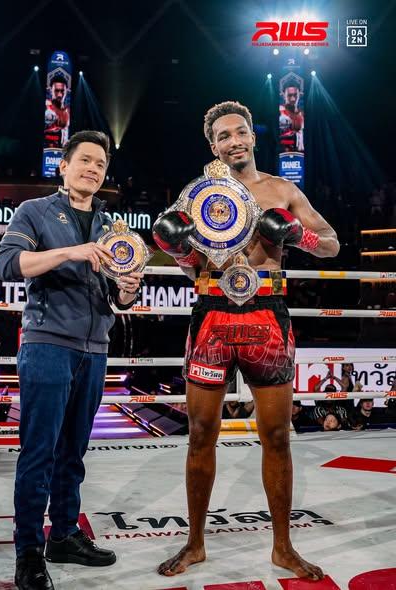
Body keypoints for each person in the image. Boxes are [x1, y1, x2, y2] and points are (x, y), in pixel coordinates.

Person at [153, 101, 339, 580]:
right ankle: (195, 543)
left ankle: (283, 548)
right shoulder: (198, 195)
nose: (233, 141)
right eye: (223, 136)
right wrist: (178, 248)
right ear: (212, 146)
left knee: (276, 434)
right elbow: (184, 261)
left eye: (240, 132)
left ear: (253, 136)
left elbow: (331, 243)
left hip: (267, 313)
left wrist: (296, 235)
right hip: (212, 311)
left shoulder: (281, 189)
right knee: (200, 433)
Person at [0, 130, 142, 590]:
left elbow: (117, 296)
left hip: (94, 349)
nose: (93, 169)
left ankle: (63, 535)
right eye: (85, 160)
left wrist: (127, 290)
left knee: (73, 453)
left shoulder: (112, 226)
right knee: (39, 452)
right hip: (47, 345)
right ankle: (28, 553)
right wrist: (68, 253)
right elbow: (7, 264)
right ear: (64, 165)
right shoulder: (34, 211)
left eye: (101, 164)